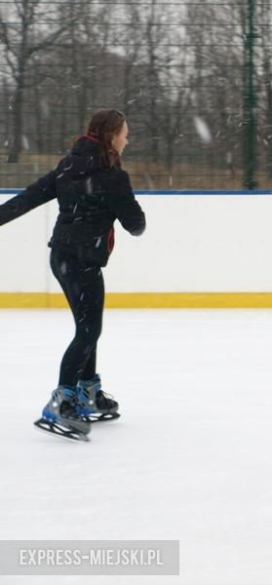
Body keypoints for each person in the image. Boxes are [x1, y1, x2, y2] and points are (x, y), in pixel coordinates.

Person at [0, 109, 146, 442]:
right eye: (125, 132)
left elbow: (27, 199)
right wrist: (123, 205)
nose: (127, 138)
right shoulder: (112, 177)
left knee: (86, 326)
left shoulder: (68, 165)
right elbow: (135, 225)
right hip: (84, 262)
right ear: (111, 136)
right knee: (89, 329)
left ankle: (89, 392)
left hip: (62, 257)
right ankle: (63, 400)